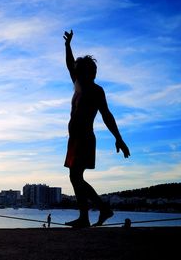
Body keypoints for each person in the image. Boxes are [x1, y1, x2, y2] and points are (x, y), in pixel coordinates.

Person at [63, 30, 130, 228]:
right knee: (76, 177)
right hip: (74, 139)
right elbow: (69, 64)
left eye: (77, 69)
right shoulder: (78, 85)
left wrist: (118, 138)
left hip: (84, 139)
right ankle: (98, 211)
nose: (73, 70)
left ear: (86, 72)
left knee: (75, 176)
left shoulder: (95, 90)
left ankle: (91, 214)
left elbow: (107, 115)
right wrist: (67, 46)